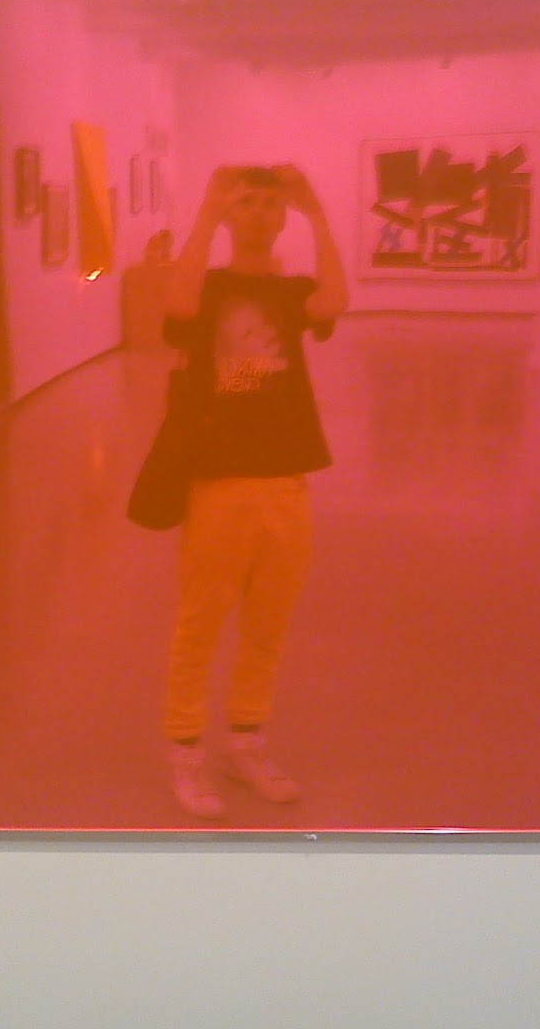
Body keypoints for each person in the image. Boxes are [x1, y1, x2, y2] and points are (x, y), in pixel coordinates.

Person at [159, 164, 348, 818]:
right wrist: (208, 212)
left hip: (286, 481)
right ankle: (185, 753)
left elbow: (334, 301)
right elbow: (177, 307)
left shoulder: (291, 294)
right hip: (219, 480)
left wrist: (316, 211)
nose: (261, 213)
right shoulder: (208, 286)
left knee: (268, 628)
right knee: (200, 626)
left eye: (272, 204)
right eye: (248, 203)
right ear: (231, 216)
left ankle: (246, 744)